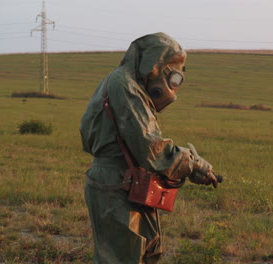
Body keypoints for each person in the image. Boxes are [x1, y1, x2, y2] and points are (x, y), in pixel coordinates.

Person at [79, 32, 221, 264]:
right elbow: (151, 149)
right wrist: (193, 163)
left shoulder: (124, 83)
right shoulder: (124, 85)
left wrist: (186, 166)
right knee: (122, 258)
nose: (173, 79)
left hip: (124, 181)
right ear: (153, 65)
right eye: (170, 67)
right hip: (116, 184)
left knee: (140, 254)